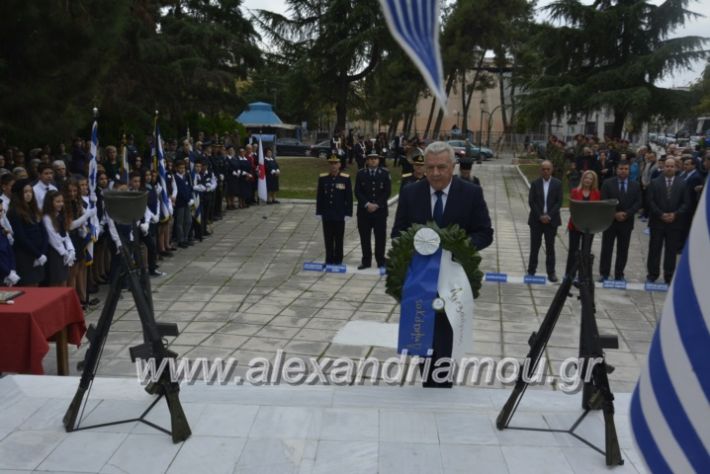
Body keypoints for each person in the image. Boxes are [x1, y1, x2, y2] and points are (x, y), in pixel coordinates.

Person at [391, 141, 493, 388]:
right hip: (420, 280)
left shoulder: (470, 193)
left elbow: (485, 232)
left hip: (454, 280)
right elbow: (397, 232)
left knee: (446, 335)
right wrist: (413, 247)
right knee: (422, 334)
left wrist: (459, 247)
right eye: (430, 167)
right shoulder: (410, 193)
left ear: (453, 167)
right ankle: (429, 383)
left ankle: (443, 383)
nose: (435, 173)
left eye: (441, 167)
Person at [646, 157, 690, 284]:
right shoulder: (654, 182)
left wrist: (675, 214)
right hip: (657, 222)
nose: (669, 168)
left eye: (672, 166)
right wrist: (661, 214)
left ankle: (669, 275)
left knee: (671, 250)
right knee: (654, 249)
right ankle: (652, 274)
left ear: (676, 168)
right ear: (663, 167)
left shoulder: (683, 183)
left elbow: (686, 203)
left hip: (674, 223)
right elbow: (650, 201)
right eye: (667, 166)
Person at [599, 160, 642, 281]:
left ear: (629, 170)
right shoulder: (607, 183)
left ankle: (619, 274)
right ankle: (604, 273)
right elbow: (604, 200)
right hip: (610, 221)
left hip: (626, 222)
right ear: (616, 169)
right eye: (621, 168)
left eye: (626, 169)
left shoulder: (635, 185)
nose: (623, 171)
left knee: (623, 249)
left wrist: (627, 213)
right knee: (607, 248)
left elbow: (638, 202)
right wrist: (614, 214)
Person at [526, 160, 563, 282]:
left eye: (548, 169)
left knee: (550, 247)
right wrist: (541, 215)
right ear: (540, 170)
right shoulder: (535, 184)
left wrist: (549, 216)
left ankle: (551, 272)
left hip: (551, 222)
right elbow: (532, 201)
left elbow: (559, 202)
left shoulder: (557, 184)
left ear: (552, 170)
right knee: (534, 247)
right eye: (543, 169)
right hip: (536, 220)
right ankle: (531, 271)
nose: (546, 171)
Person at [8, 179, 48, 286]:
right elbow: (21, 237)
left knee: (37, 282)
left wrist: (42, 252)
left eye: (30, 191)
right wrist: (37, 254)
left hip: (39, 253)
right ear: (19, 194)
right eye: (25, 192)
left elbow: (44, 232)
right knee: (29, 284)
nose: (29, 194)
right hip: (25, 255)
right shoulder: (14, 212)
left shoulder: (34, 209)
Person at [355, 151, 391, 269]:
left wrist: (377, 205)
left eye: (375, 158)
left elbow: (387, 192)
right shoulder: (361, 174)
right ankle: (366, 261)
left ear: (379, 160)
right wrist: (367, 204)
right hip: (364, 212)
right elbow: (357, 191)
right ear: (367, 161)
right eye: (370, 159)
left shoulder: (385, 173)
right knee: (365, 237)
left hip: (380, 211)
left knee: (380, 237)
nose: (373, 160)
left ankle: (381, 260)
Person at [316, 155, 352, 265]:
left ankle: (338, 259)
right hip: (327, 214)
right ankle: (329, 258)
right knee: (328, 238)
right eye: (331, 163)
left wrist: (348, 213)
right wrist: (319, 212)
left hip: (339, 214)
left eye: (335, 163)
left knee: (339, 238)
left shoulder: (345, 178)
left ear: (339, 165)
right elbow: (320, 197)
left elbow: (349, 197)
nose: (333, 166)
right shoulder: (323, 178)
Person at [564, 170, 601, 279]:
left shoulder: (597, 193)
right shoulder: (575, 191)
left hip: (589, 227)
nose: (588, 180)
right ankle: (569, 274)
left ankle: (583, 275)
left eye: (590, 178)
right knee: (573, 250)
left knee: (586, 251)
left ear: (593, 181)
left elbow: (596, 209)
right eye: (586, 178)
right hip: (575, 225)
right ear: (582, 179)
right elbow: (572, 208)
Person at [42, 190, 75, 286]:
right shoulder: (47, 218)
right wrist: (64, 253)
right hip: (54, 253)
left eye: (62, 201)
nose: (61, 204)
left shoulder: (60, 216)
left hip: (63, 251)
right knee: (56, 281)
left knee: (64, 280)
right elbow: (53, 238)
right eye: (57, 201)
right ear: (50, 203)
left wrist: (71, 249)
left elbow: (65, 234)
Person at [0, 199, 19, 287]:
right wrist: (8, 272)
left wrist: (12, 269)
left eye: (2, 210)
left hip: (7, 273)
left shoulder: (2, 228)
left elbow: (9, 250)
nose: (1, 213)